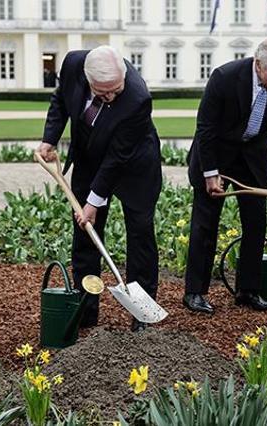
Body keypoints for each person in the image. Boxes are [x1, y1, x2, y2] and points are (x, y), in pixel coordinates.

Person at [183, 37, 267, 314]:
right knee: (206, 224)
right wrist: (210, 174)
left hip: (252, 156)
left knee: (255, 222)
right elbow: (205, 128)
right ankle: (195, 292)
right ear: (258, 64)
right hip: (215, 153)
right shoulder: (224, 77)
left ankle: (248, 290)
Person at [36, 46, 162, 332]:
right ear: (87, 78)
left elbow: (117, 158)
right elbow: (61, 100)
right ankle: (86, 309)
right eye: (103, 92)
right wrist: (50, 139)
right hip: (89, 158)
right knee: (85, 237)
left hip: (134, 165)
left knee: (140, 234)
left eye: (116, 90)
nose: (111, 98)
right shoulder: (72, 64)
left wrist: (93, 202)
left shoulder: (137, 98)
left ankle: (141, 313)